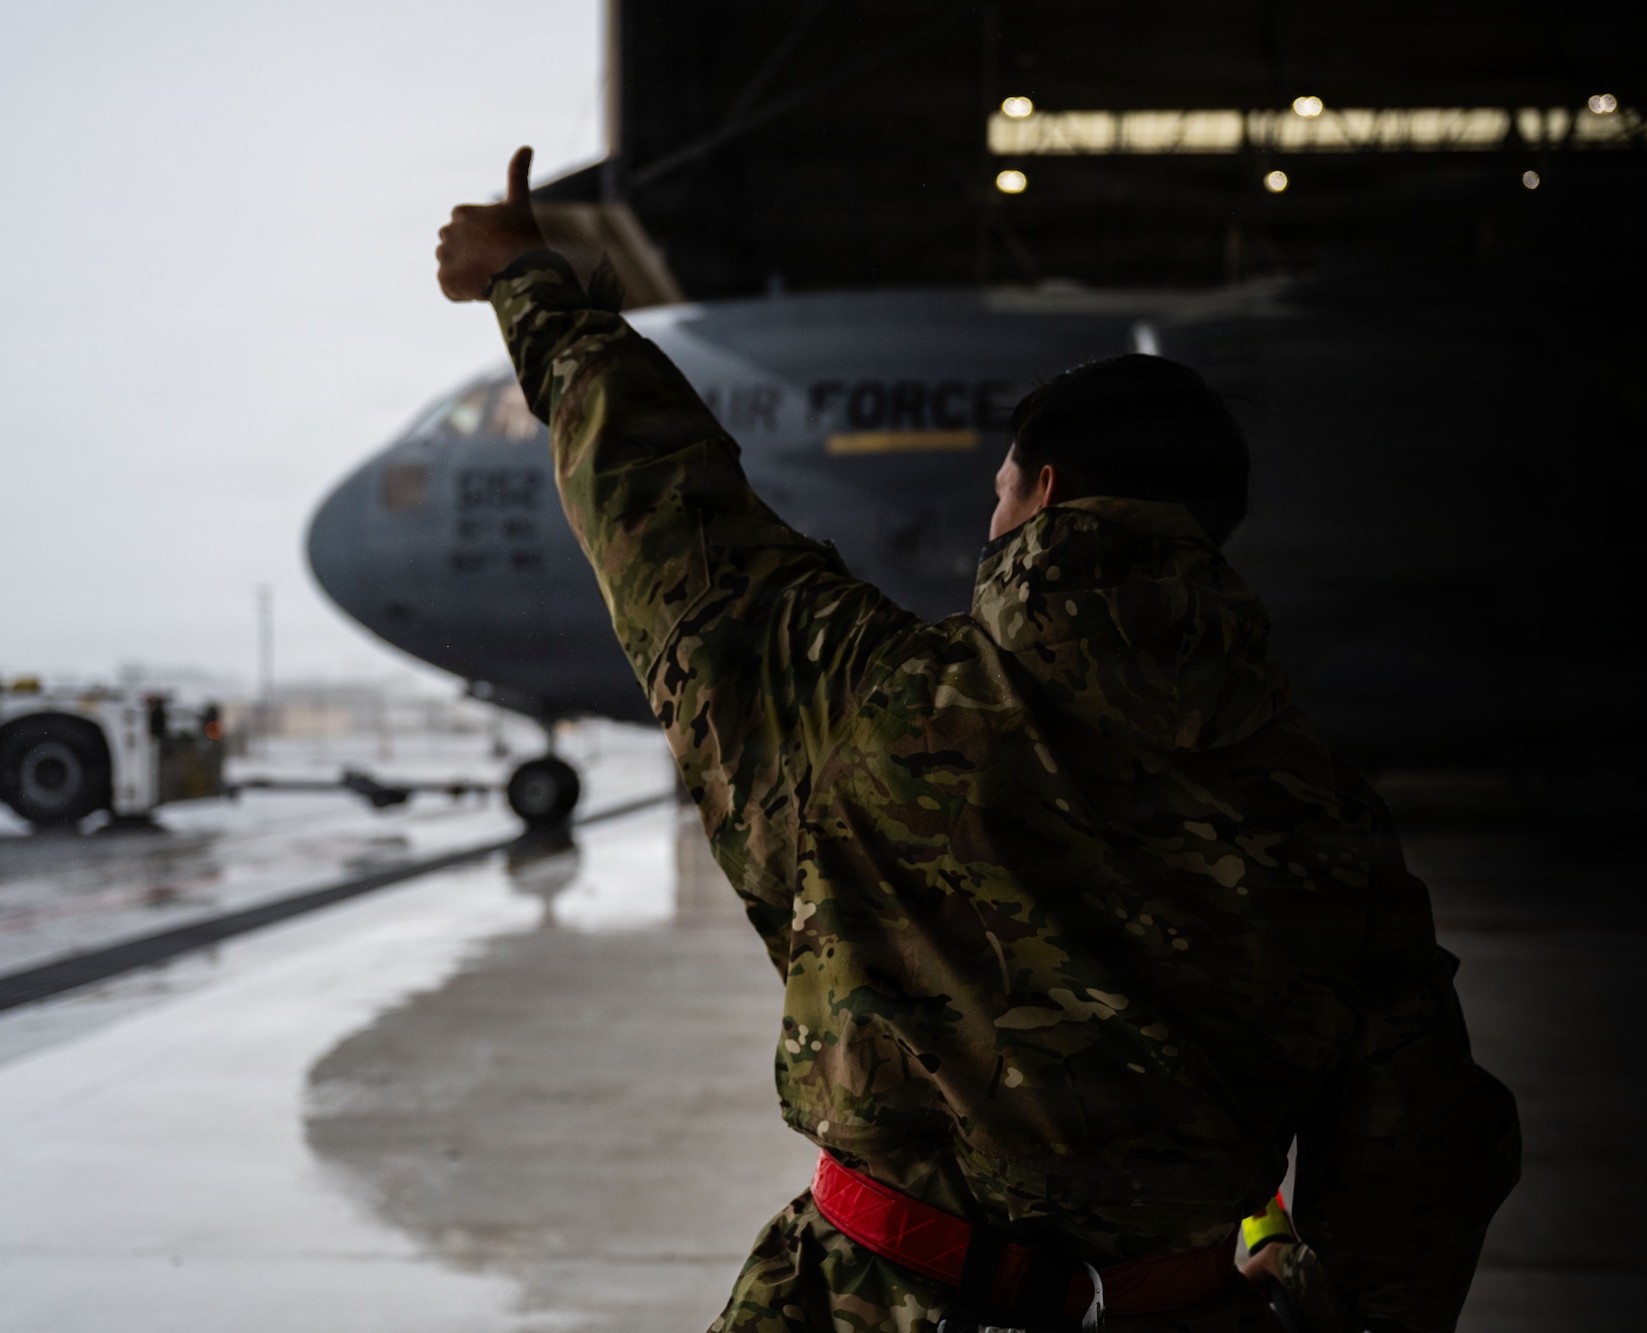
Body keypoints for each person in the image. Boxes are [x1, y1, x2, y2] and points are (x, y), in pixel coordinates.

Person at [435, 148, 1519, 1333]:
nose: (987, 517)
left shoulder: (869, 700)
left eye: (998, 492)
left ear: (1041, 495)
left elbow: (668, 511)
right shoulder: (1328, 818)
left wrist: (528, 284)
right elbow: (1427, 1150)